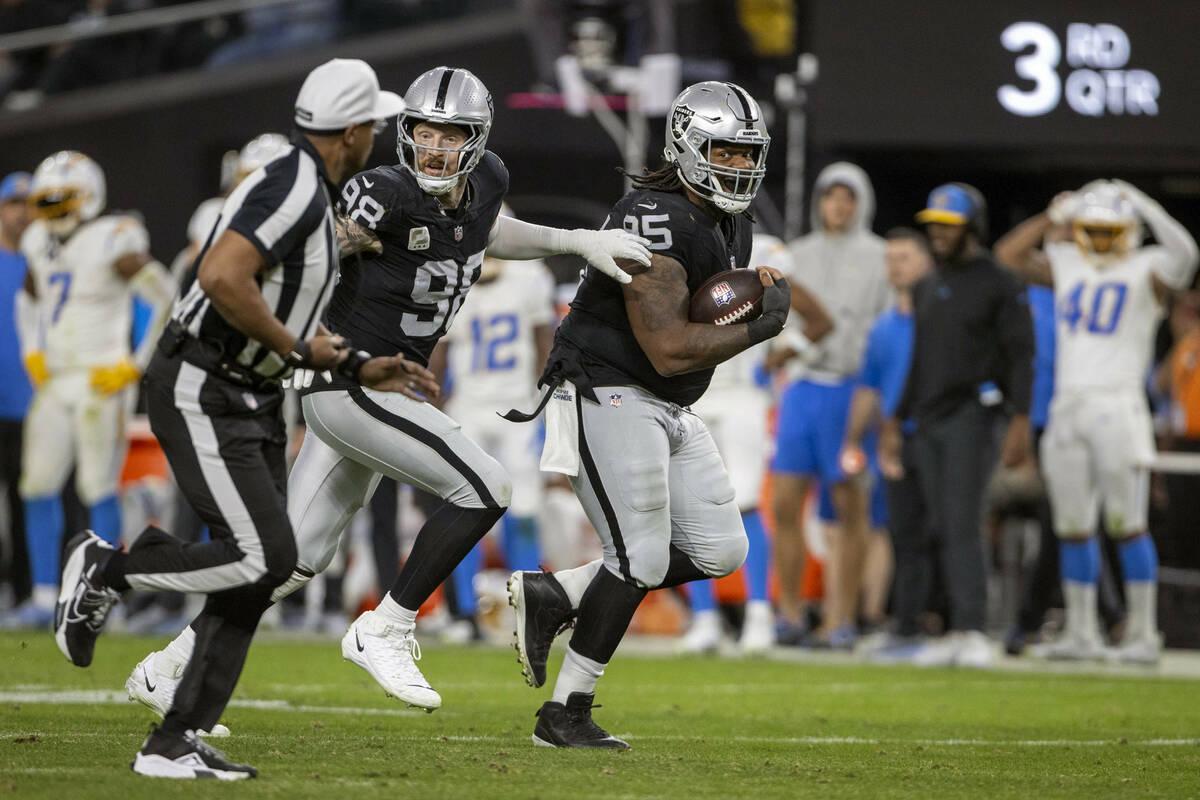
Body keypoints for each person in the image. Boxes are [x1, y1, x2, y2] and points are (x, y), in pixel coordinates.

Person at [122, 65, 652, 725]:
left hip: (379, 390)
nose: (433, 147)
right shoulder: (380, 194)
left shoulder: (486, 183)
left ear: (477, 140)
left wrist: (575, 240)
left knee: (293, 559)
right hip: (353, 381)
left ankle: (166, 668)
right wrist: (332, 253)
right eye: (423, 132)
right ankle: (389, 626)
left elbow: (483, 235)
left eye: (450, 134)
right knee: (485, 486)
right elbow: (310, 257)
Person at [52, 58, 424, 780]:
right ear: (351, 131)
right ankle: (107, 569)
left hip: (245, 389)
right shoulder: (292, 183)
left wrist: (350, 364)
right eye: (373, 123)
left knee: (262, 564)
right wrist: (292, 347)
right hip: (205, 382)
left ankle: (174, 742)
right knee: (262, 557)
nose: (377, 134)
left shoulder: (306, 186)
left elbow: (278, 310)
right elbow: (222, 277)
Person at [505, 81, 794, 749]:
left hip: (663, 401)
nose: (739, 168)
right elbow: (667, 348)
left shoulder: (729, 221)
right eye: (725, 151)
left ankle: (561, 594)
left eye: (749, 155)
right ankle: (565, 713)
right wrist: (758, 329)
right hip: (606, 389)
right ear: (688, 146)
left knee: (721, 549)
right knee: (636, 557)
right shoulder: (652, 214)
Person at [993, 180, 1198, 664]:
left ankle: (1143, 633)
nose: (1102, 241)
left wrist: (1143, 202)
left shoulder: (1148, 269)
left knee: (1128, 524)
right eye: (1094, 230)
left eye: (1112, 231)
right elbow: (1006, 255)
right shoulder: (1067, 263)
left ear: (1130, 231)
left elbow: (1186, 251)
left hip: (1119, 405)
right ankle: (1082, 632)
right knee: (1072, 526)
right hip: (1067, 406)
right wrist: (1051, 216)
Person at [11, 150, 176, 628]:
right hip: (58, 376)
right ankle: (45, 596)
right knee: (37, 484)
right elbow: (27, 301)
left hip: (102, 376)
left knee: (97, 485)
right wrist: (31, 352)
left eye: (64, 199)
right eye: (48, 200)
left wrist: (134, 365)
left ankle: (99, 596)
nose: (54, 210)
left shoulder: (113, 238)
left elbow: (164, 295)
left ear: (88, 197)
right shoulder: (40, 239)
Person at [879, 183, 1035, 668]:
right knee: (937, 526)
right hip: (928, 420)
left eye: (948, 226)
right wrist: (895, 419)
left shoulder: (999, 281)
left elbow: (1023, 357)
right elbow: (921, 361)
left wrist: (1020, 422)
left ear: (973, 227)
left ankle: (973, 629)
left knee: (963, 523)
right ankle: (950, 626)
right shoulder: (926, 285)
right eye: (934, 226)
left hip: (976, 414)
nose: (938, 234)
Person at [680, 231, 827, 654]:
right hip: (696, 392)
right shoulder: (684, 240)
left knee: (745, 503)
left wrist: (777, 358)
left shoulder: (764, 249)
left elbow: (819, 321)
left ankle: (759, 614)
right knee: (691, 507)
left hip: (743, 394)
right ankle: (705, 618)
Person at [770, 162, 889, 648]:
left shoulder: (880, 257)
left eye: (847, 198)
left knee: (848, 511)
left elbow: (882, 332)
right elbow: (777, 317)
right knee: (783, 504)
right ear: (819, 202)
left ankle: (841, 619)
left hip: (850, 388)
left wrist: (879, 394)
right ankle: (790, 612)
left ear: (861, 203)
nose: (838, 207)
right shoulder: (798, 254)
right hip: (802, 387)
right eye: (830, 197)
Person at [434, 212, 558, 638]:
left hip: (518, 410)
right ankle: (464, 613)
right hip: (467, 409)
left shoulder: (530, 278)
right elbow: (440, 356)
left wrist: (547, 406)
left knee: (523, 512)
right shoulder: (453, 277)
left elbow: (545, 345)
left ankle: (528, 611)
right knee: (464, 507)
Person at [840, 227, 931, 657]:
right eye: (890, 258)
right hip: (895, 442)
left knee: (948, 533)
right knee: (902, 534)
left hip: (938, 436)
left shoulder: (940, 319)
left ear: (926, 263)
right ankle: (900, 622)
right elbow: (868, 388)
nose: (895, 265)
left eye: (905, 257)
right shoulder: (882, 327)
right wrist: (854, 440)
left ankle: (963, 625)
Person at [0, 172, 33, 613]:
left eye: (31, 204)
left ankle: (29, 592)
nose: (23, 213)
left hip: (33, 405)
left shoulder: (46, 263)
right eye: (14, 204)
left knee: (29, 501)